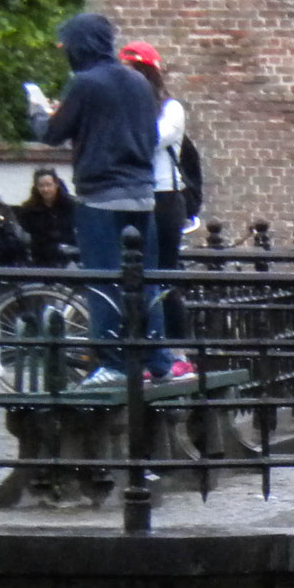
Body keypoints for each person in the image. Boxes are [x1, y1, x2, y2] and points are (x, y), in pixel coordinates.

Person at [24, 12, 178, 383]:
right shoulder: (139, 84)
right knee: (146, 280)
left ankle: (111, 363)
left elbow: (52, 133)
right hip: (143, 196)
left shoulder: (85, 84)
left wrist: (35, 107)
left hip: (100, 196)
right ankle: (159, 359)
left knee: (104, 279)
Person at [118, 40, 192, 364]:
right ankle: (138, 348)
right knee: (133, 275)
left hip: (163, 197)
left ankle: (176, 350)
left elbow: (152, 139)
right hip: (131, 194)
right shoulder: (123, 107)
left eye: (132, 72)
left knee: (163, 275)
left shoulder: (170, 108)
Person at [16, 167, 77, 268]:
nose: (45, 189)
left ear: (56, 185)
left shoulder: (71, 205)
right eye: (41, 186)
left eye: (49, 185)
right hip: (40, 258)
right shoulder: (28, 209)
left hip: (69, 257)